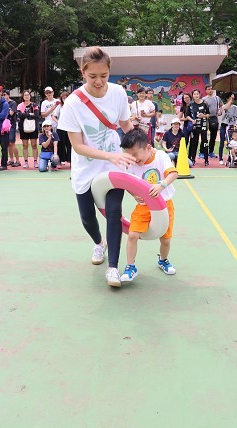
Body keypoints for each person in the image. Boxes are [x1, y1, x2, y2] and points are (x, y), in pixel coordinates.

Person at [56, 46, 137, 288]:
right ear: (83, 72)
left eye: (104, 75)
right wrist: (109, 156)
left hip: (114, 165)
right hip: (86, 168)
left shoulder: (118, 93)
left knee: (113, 212)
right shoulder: (72, 103)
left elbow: (125, 124)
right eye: (93, 76)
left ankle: (113, 268)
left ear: (109, 71)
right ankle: (99, 243)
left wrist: (143, 147)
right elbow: (78, 146)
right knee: (87, 217)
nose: (99, 81)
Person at [119, 129, 178, 282]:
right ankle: (130, 266)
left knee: (165, 240)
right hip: (144, 207)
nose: (133, 159)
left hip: (164, 206)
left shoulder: (160, 156)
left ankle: (163, 260)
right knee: (132, 235)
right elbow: (127, 183)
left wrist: (161, 185)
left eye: (135, 154)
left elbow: (173, 173)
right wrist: (134, 195)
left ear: (148, 148)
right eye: (129, 155)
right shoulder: (131, 164)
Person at [187, 89, 211, 166]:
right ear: (192, 95)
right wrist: (192, 120)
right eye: (194, 94)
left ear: (200, 94)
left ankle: (206, 160)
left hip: (203, 126)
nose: (196, 95)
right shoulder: (191, 105)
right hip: (195, 127)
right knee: (194, 143)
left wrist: (203, 116)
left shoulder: (205, 104)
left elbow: (208, 114)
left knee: (205, 143)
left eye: (197, 94)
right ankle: (193, 159)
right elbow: (187, 115)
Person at [17, 90, 40, 168]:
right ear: (23, 96)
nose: (26, 96)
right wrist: (30, 114)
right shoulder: (20, 105)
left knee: (34, 145)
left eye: (28, 95)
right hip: (23, 127)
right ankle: (26, 162)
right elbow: (19, 115)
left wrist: (25, 114)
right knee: (25, 145)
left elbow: (36, 115)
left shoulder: (34, 105)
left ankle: (35, 161)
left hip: (33, 127)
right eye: (25, 95)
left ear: (30, 96)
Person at [219, 93, 237, 164]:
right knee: (222, 142)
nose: (232, 99)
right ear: (227, 99)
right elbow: (226, 108)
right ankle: (220, 158)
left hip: (232, 127)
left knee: (232, 142)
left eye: (232, 98)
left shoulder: (235, 107)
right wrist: (231, 100)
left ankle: (232, 156)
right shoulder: (224, 106)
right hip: (224, 126)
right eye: (230, 98)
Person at [203, 84, 223, 160]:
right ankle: (203, 152)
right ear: (206, 90)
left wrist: (220, 110)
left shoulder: (217, 98)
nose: (210, 90)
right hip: (206, 118)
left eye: (211, 89)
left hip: (214, 118)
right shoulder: (204, 99)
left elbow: (221, 105)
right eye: (208, 89)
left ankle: (211, 151)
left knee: (213, 136)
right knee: (204, 136)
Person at [2, 90, 21, 167]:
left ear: (8, 95)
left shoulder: (13, 103)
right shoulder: (2, 103)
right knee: (8, 143)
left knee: (12, 143)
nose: (3, 96)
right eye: (2, 95)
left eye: (5, 95)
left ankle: (18, 160)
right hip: (4, 125)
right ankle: (11, 159)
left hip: (11, 125)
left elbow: (11, 113)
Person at [55, 91, 72, 166]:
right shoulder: (59, 106)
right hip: (61, 128)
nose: (65, 99)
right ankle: (60, 160)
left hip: (70, 128)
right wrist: (58, 122)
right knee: (60, 144)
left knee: (70, 144)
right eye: (63, 98)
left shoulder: (72, 106)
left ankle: (71, 161)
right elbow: (53, 116)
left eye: (66, 97)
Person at [178, 92, 193, 159]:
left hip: (194, 126)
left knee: (193, 142)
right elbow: (179, 118)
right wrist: (187, 118)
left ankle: (190, 157)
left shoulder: (194, 105)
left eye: (188, 97)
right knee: (185, 141)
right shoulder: (183, 107)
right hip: (186, 126)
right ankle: (183, 156)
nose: (186, 99)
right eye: (185, 98)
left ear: (190, 97)